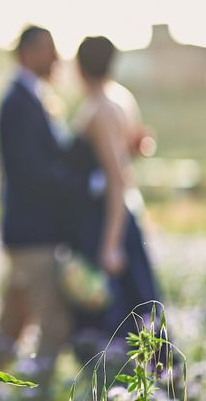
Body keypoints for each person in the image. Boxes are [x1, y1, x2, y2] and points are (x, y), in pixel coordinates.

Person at [0, 26, 102, 394]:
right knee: (53, 323)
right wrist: (86, 186)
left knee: (13, 323)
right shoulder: (18, 102)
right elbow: (33, 172)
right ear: (28, 53)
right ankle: (38, 391)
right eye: (49, 51)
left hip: (29, 232)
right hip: (32, 233)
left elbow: (56, 157)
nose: (56, 59)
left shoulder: (33, 98)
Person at [67, 36, 160, 359]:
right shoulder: (123, 99)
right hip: (121, 214)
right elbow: (137, 148)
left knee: (113, 315)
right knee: (139, 310)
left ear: (79, 67)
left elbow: (117, 177)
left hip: (107, 220)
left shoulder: (100, 108)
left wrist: (110, 245)